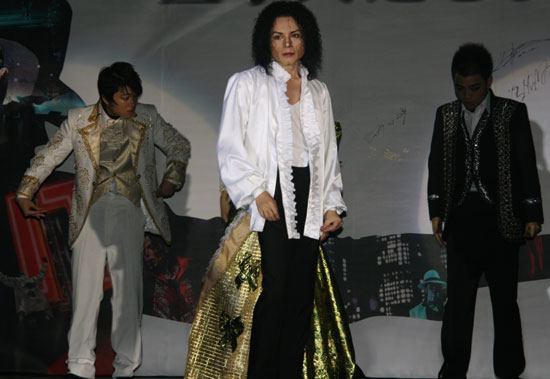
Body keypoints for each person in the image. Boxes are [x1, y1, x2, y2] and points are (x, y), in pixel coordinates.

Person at [15, 62, 190, 379]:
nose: (132, 103)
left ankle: (126, 368)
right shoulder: (78, 120)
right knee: (85, 293)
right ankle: (79, 366)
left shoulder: (147, 117)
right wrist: (26, 191)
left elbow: (179, 144)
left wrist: (172, 178)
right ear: (106, 98)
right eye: (124, 98)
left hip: (128, 209)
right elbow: (49, 156)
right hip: (91, 212)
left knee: (128, 294)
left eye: (133, 96)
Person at [216, 2, 346, 378]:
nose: (287, 43)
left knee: (299, 296)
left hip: (311, 191)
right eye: (278, 36)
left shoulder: (318, 91)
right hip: (271, 189)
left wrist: (332, 205)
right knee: (274, 291)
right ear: (266, 42)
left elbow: (329, 157)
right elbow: (230, 146)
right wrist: (257, 191)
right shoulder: (247, 83)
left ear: (307, 41)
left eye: (295, 35)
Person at [427, 43, 543, 379]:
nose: (467, 96)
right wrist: (436, 208)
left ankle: (509, 371)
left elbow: (526, 164)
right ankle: (453, 370)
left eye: (474, 88)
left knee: (505, 304)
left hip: (502, 221)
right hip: (462, 221)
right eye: (460, 88)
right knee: (458, 306)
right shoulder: (446, 115)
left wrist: (532, 212)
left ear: (489, 81)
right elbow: (436, 164)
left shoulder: (511, 112)